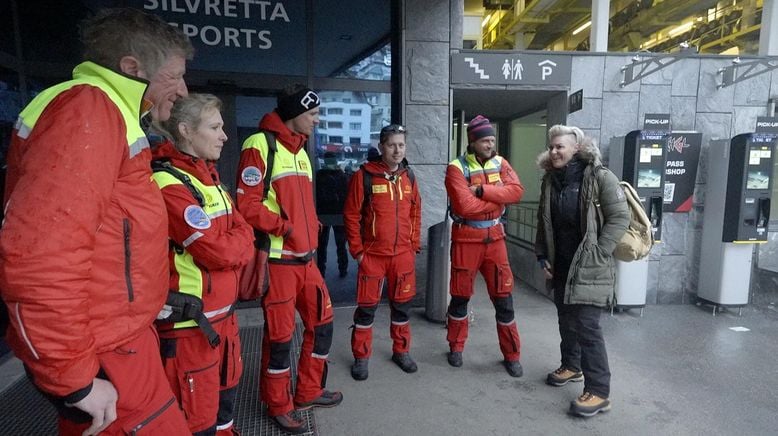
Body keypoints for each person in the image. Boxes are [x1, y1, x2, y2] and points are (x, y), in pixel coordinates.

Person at [0, 8, 193, 435]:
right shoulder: (89, 108)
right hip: (107, 351)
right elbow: (41, 256)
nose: (182, 90)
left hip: (118, 339)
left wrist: (144, 298)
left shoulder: (112, 114)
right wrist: (73, 376)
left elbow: (112, 237)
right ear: (132, 68)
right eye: (174, 75)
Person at [236, 84, 342, 434]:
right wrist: (286, 227)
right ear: (295, 113)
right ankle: (278, 404)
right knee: (280, 340)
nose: (317, 120)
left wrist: (309, 228)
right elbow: (247, 206)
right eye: (312, 114)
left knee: (323, 326)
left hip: (306, 261)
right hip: (280, 263)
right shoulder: (260, 145)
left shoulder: (299, 150)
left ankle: (308, 391)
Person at [151, 94, 255, 435]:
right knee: (197, 422)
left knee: (224, 404)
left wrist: (237, 243)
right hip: (190, 331)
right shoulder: (169, 183)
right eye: (215, 127)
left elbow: (243, 230)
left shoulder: (209, 178)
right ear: (185, 130)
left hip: (221, 320)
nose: (225, 135)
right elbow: (217, 252)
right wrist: (239, 245)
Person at [535, 124, 629, 417]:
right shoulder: (551, 180)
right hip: (562, 264)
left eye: (560, 146)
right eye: (551, 147)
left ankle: (599, 392)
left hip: (590, 265)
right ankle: (572, 366)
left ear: (576, 148)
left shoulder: (600, 177)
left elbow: (619, 216)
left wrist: (599, 251)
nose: (554, 151)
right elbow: (544, 221)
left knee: (588, 327)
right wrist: (542, 255)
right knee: (566, 319)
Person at [444, 115, 524, 377]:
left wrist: (481, 192)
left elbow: (517, 192)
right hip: (466, 239)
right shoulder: (455, 168)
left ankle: (512, 355)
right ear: (473, 141)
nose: (490, 144)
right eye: (485, 140)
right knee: (460, 298)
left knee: (504, 300)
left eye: (492, 139)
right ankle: (455, 348)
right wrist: (498, 198)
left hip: (496, 240)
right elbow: (464, 206)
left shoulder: (501, 162)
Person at [342, 124, 422, 381]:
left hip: (402, 257)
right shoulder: (364, 175)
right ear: (381, 147)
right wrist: (357, 251)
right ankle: (361, 357)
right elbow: (351, 215)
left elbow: (416, 213)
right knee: (366, 310)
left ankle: (401, 351)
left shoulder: (409, 176)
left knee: (402, 308)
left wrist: (413, 245)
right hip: (373, 257)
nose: (397, 150)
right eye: (392, 145)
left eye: (401, 145)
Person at [316, 151, 350, 278]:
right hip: (337, 213)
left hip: (323, 213)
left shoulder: (319, 175)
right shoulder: (340, 175)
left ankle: (321, 271)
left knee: (322, 245)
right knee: (340, 244)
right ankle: (343, 269)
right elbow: (345, 194)